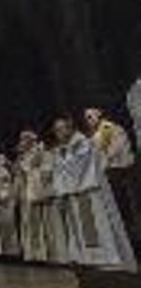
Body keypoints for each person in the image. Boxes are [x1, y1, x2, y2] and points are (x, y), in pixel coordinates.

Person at [51, 118, 136, 270]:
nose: (58, 133)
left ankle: (106, 259)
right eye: (56, 130)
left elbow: (77, 166)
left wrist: (62, 162)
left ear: (70, 128)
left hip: (89, 191)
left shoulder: (81, 143)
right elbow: (57, 171)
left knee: (97, 225)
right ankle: (86, 259)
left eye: (61, 129)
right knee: (80, 229)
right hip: (74, 193)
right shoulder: (64, 148)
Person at [85, 108, 139, 254]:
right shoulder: (97, 133)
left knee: (125, 208)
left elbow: (112, 151)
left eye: (90, 117)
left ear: (99, 116)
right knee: (118, 210)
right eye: (87, 118)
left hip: (119, 172)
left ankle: (134, 243)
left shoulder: (107, 128)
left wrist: (100, 162)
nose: (88, 121)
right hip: (111, 172)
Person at [15, 131, 52, 262]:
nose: (22, 142)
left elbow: (46, 170)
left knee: (39, 222)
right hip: (26, 192)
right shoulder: (24, 155)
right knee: (27, 222)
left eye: (24, 140)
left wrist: (29, 171)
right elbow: (18, 171)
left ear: (31, 141)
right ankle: (31, 254)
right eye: (21, 139)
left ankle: (42, 254)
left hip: (36, 191)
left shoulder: (40, 152)